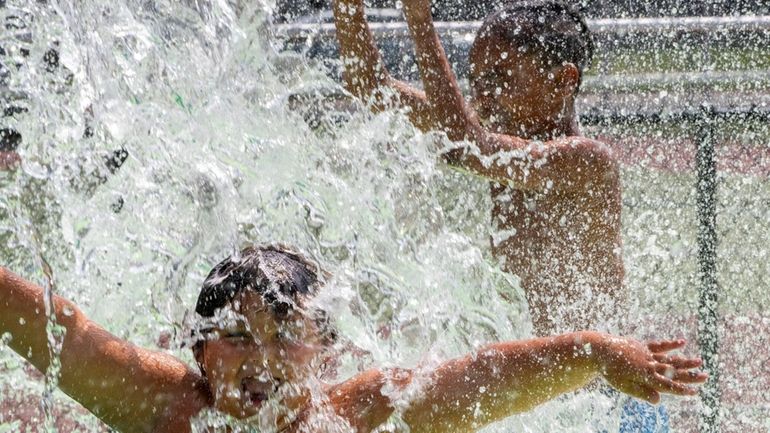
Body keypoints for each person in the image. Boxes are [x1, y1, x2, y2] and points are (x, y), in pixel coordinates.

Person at [1, 245, 705, 433]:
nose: (264, 360)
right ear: (198, 349)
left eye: (286, 337)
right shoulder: (161, 404)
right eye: (238, 336)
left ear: (328, 352)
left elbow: (477, 378)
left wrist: (592, 349)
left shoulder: (354, 415)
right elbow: (63, 330)